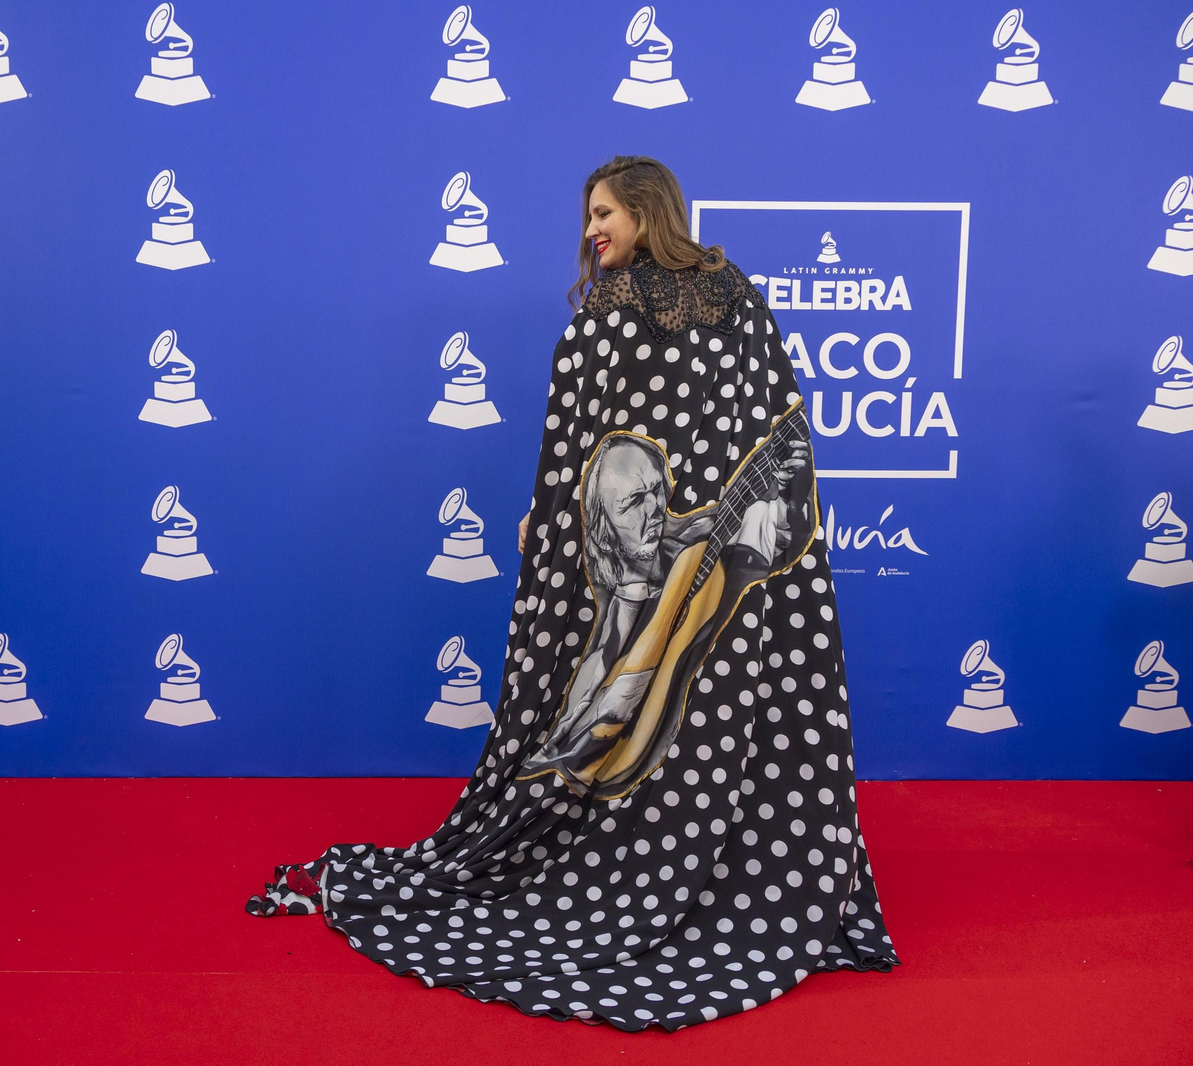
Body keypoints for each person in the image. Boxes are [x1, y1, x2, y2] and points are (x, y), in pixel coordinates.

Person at [245, 156, 898, 1031]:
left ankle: (666, 871)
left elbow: (747, 422)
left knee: (677, 713)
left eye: (603, 212)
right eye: (586, 216)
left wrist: (626, 515)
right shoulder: (671, 302)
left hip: (704, 563)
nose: (590, 230)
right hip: (649, 564)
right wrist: (552, 513)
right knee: (648, 712)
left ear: (645, 209)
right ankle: (658, 865)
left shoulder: (681, 302)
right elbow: (598, 442)